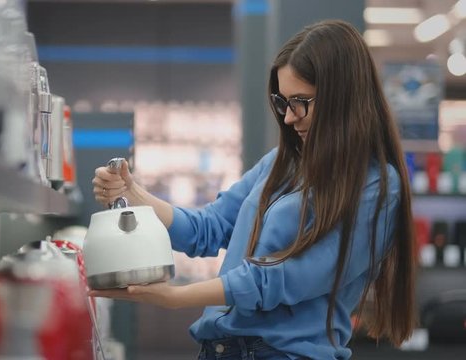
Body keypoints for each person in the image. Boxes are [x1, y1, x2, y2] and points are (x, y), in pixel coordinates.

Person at [89, 19, 416, 360]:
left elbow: (283, 279)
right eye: (283, 102)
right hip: (219, 349)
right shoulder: (282, 163)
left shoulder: (376, 186)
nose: (289, 118)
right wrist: (133, 193)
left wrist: (174, 298)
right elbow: (207, 229)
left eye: (300, 101)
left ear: (341, 97)